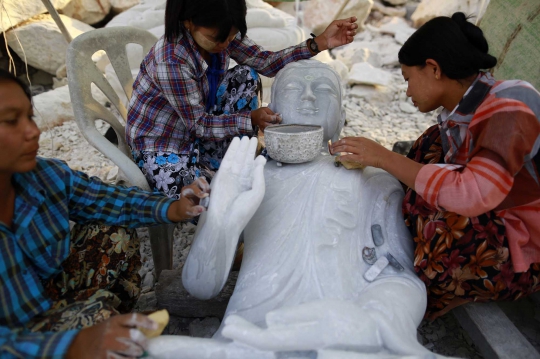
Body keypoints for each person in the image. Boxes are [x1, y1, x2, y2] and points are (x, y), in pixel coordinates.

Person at [146, 60, 440, 359]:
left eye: (324, 89)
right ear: (270, 111)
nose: (308, 96)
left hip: (346, 330)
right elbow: (200, 286)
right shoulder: (245, 178)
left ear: (342, 117)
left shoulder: (372, 180)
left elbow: (399, 277)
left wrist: (375, 318)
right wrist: (220, 224)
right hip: (257, 333)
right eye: (293, 88)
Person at [330, 12, 540, 320]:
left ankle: (457, 285)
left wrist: (384, 158)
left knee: (442, 235)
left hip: (525, 242)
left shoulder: (511, 106)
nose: (408, 92)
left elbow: (472, 194)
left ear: (434, 69)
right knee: (429, 149)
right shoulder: (460, 112)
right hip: (493, 214)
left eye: (408, 79)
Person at [0, 68, 210, 359]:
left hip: (45, 293)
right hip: (13, 339)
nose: (33, 131)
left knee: (112, 231)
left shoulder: (43, 177)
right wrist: (72, 346)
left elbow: (108, 200)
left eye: (30, 117)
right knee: (100, 329)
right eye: (11, 121)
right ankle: (100, 329)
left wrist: (171, 207)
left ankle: (110, 321)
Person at [125, 0, 358, 199]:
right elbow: (198, 125)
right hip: (164, 144)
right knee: (211, 201)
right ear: (188, 22)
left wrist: (318, 43)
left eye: (232, 36)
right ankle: (221, 174)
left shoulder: (222, 29)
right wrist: (250, 119)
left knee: (246, 75)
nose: (226, 44)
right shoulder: (172, 60)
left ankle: (232, 161)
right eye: (217, 38)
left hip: (202, 129)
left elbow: (264, 62)